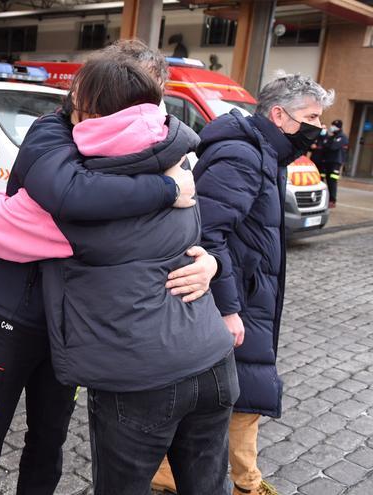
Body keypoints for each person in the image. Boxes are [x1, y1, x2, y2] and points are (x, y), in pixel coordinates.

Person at [0, 41, 220, 495]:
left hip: (72, 322)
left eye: (150, 95)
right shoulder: (51, 131)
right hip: (12, 313)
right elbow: (69, 194)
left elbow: (181, 231)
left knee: (49, 438)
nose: (141, 110)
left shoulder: (145, 145)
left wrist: (211, 261)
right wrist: (166, 191)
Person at [152, 74, 334, 495]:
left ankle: (177, 475)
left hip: (249, 294)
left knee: (236, 393)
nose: (317, 128)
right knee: (241, 397)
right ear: (279, 115)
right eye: (311, 118)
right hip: (238, 301)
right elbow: (207, 236)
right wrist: (230, 308)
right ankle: (243, 484)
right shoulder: (244, 156)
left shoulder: (267, 153)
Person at [319, 119, 349, 207]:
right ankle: (326, 199)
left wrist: (328, 144)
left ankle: (332, 200)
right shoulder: (332, 137)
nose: (332, 127)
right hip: (327, 162)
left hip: (336, 162)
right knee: (325, 180)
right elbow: (325, 145)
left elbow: (333, 147)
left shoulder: (342, 137)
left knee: (332, 181)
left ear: (338, 127)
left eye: (334, 126)